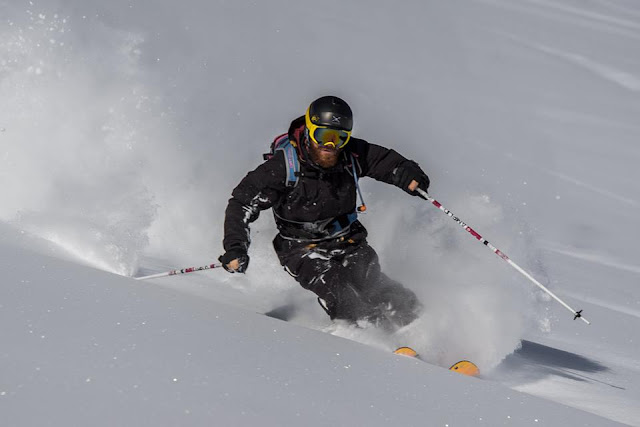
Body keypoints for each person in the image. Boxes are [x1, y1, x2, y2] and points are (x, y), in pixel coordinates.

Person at [219, 96, 430, 331]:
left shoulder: (351, 155)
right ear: (309, 131)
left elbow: (386, 162)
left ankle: (422, 331)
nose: (330, 146)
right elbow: (242, 204)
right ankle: (373, 341)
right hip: (301, 249)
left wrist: (409, 175)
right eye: (323, 136)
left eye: (339, 138)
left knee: (374, 285)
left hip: (348, 240)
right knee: (340, 290)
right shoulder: (282, 168)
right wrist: (236, 247)